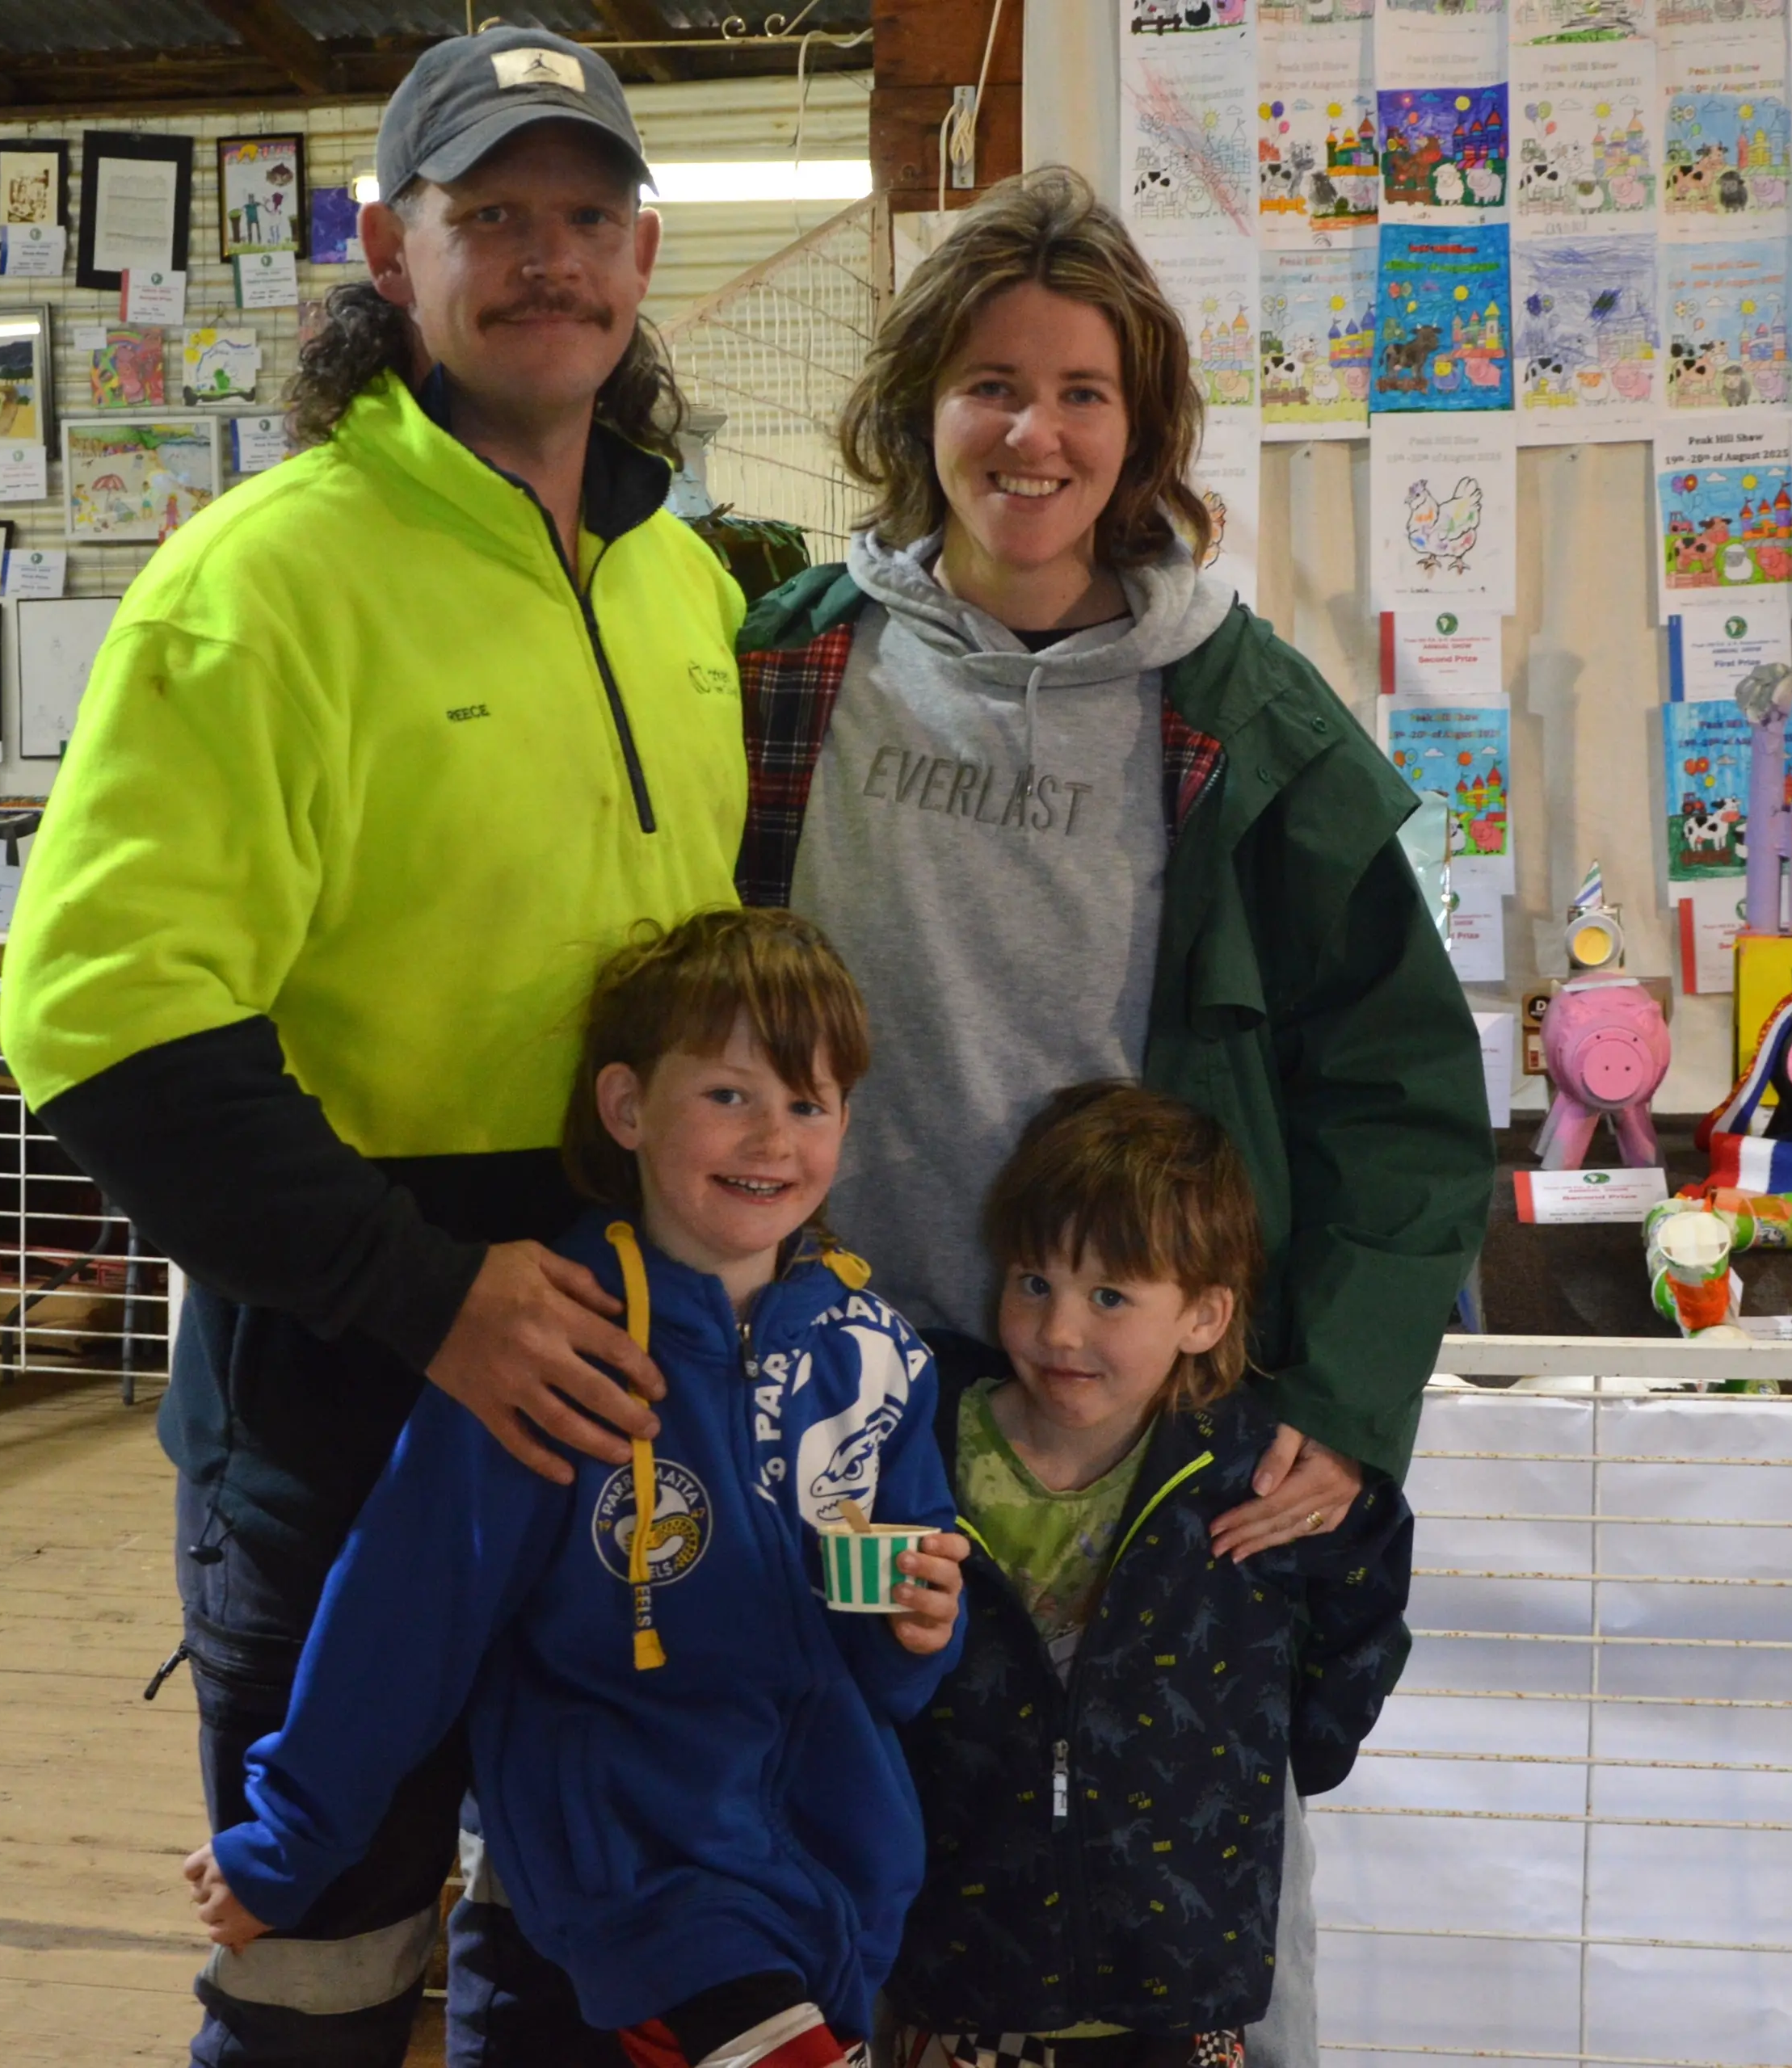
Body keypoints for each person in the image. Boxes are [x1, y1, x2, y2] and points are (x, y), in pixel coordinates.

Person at [0, 26, 749, 2066]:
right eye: (487, 215)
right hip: (348, 1414)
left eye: (584, 215)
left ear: (642, 252)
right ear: (381, 247)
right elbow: (102, 1019)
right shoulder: (261, 583)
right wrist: (426, 1301)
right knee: (323, 1961)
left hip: (626, 1407)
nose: (545, 261)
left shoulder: (681, 579)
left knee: (591, 1948)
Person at [731, 169, 1493, 2062]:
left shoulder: (1239, 714)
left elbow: (1397, 1083)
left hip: (1124, 1415)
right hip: (842, 1391)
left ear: (1139, 427)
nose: (1032, 430)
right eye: (989, 382)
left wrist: (1343, 1390)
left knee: (1167, 1890)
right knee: (842, 1843)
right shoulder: (786, 670)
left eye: (1080, 390)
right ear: (918, 407)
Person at [183, 907, 967, 2068]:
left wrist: (919, 1629)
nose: (772, 1138)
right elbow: (407, 1607)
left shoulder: (876, 1354)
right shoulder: (555, 1343)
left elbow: (891, 1676)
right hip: (629, 1885)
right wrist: (288, 1840)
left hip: (835, 1895)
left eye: (809, 1104)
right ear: (626, 1107)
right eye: (729, 1095)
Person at [884, 1082, 1413, 2067]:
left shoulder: (1257, 1473)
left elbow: (1362, 1614)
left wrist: (1277, 1754)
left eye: (1111, 1294)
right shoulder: (913, 1444)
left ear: (1207, 1313)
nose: (1060, 1331)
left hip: (1184, 2002)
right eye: (1033, 1281)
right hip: (955, 1996)